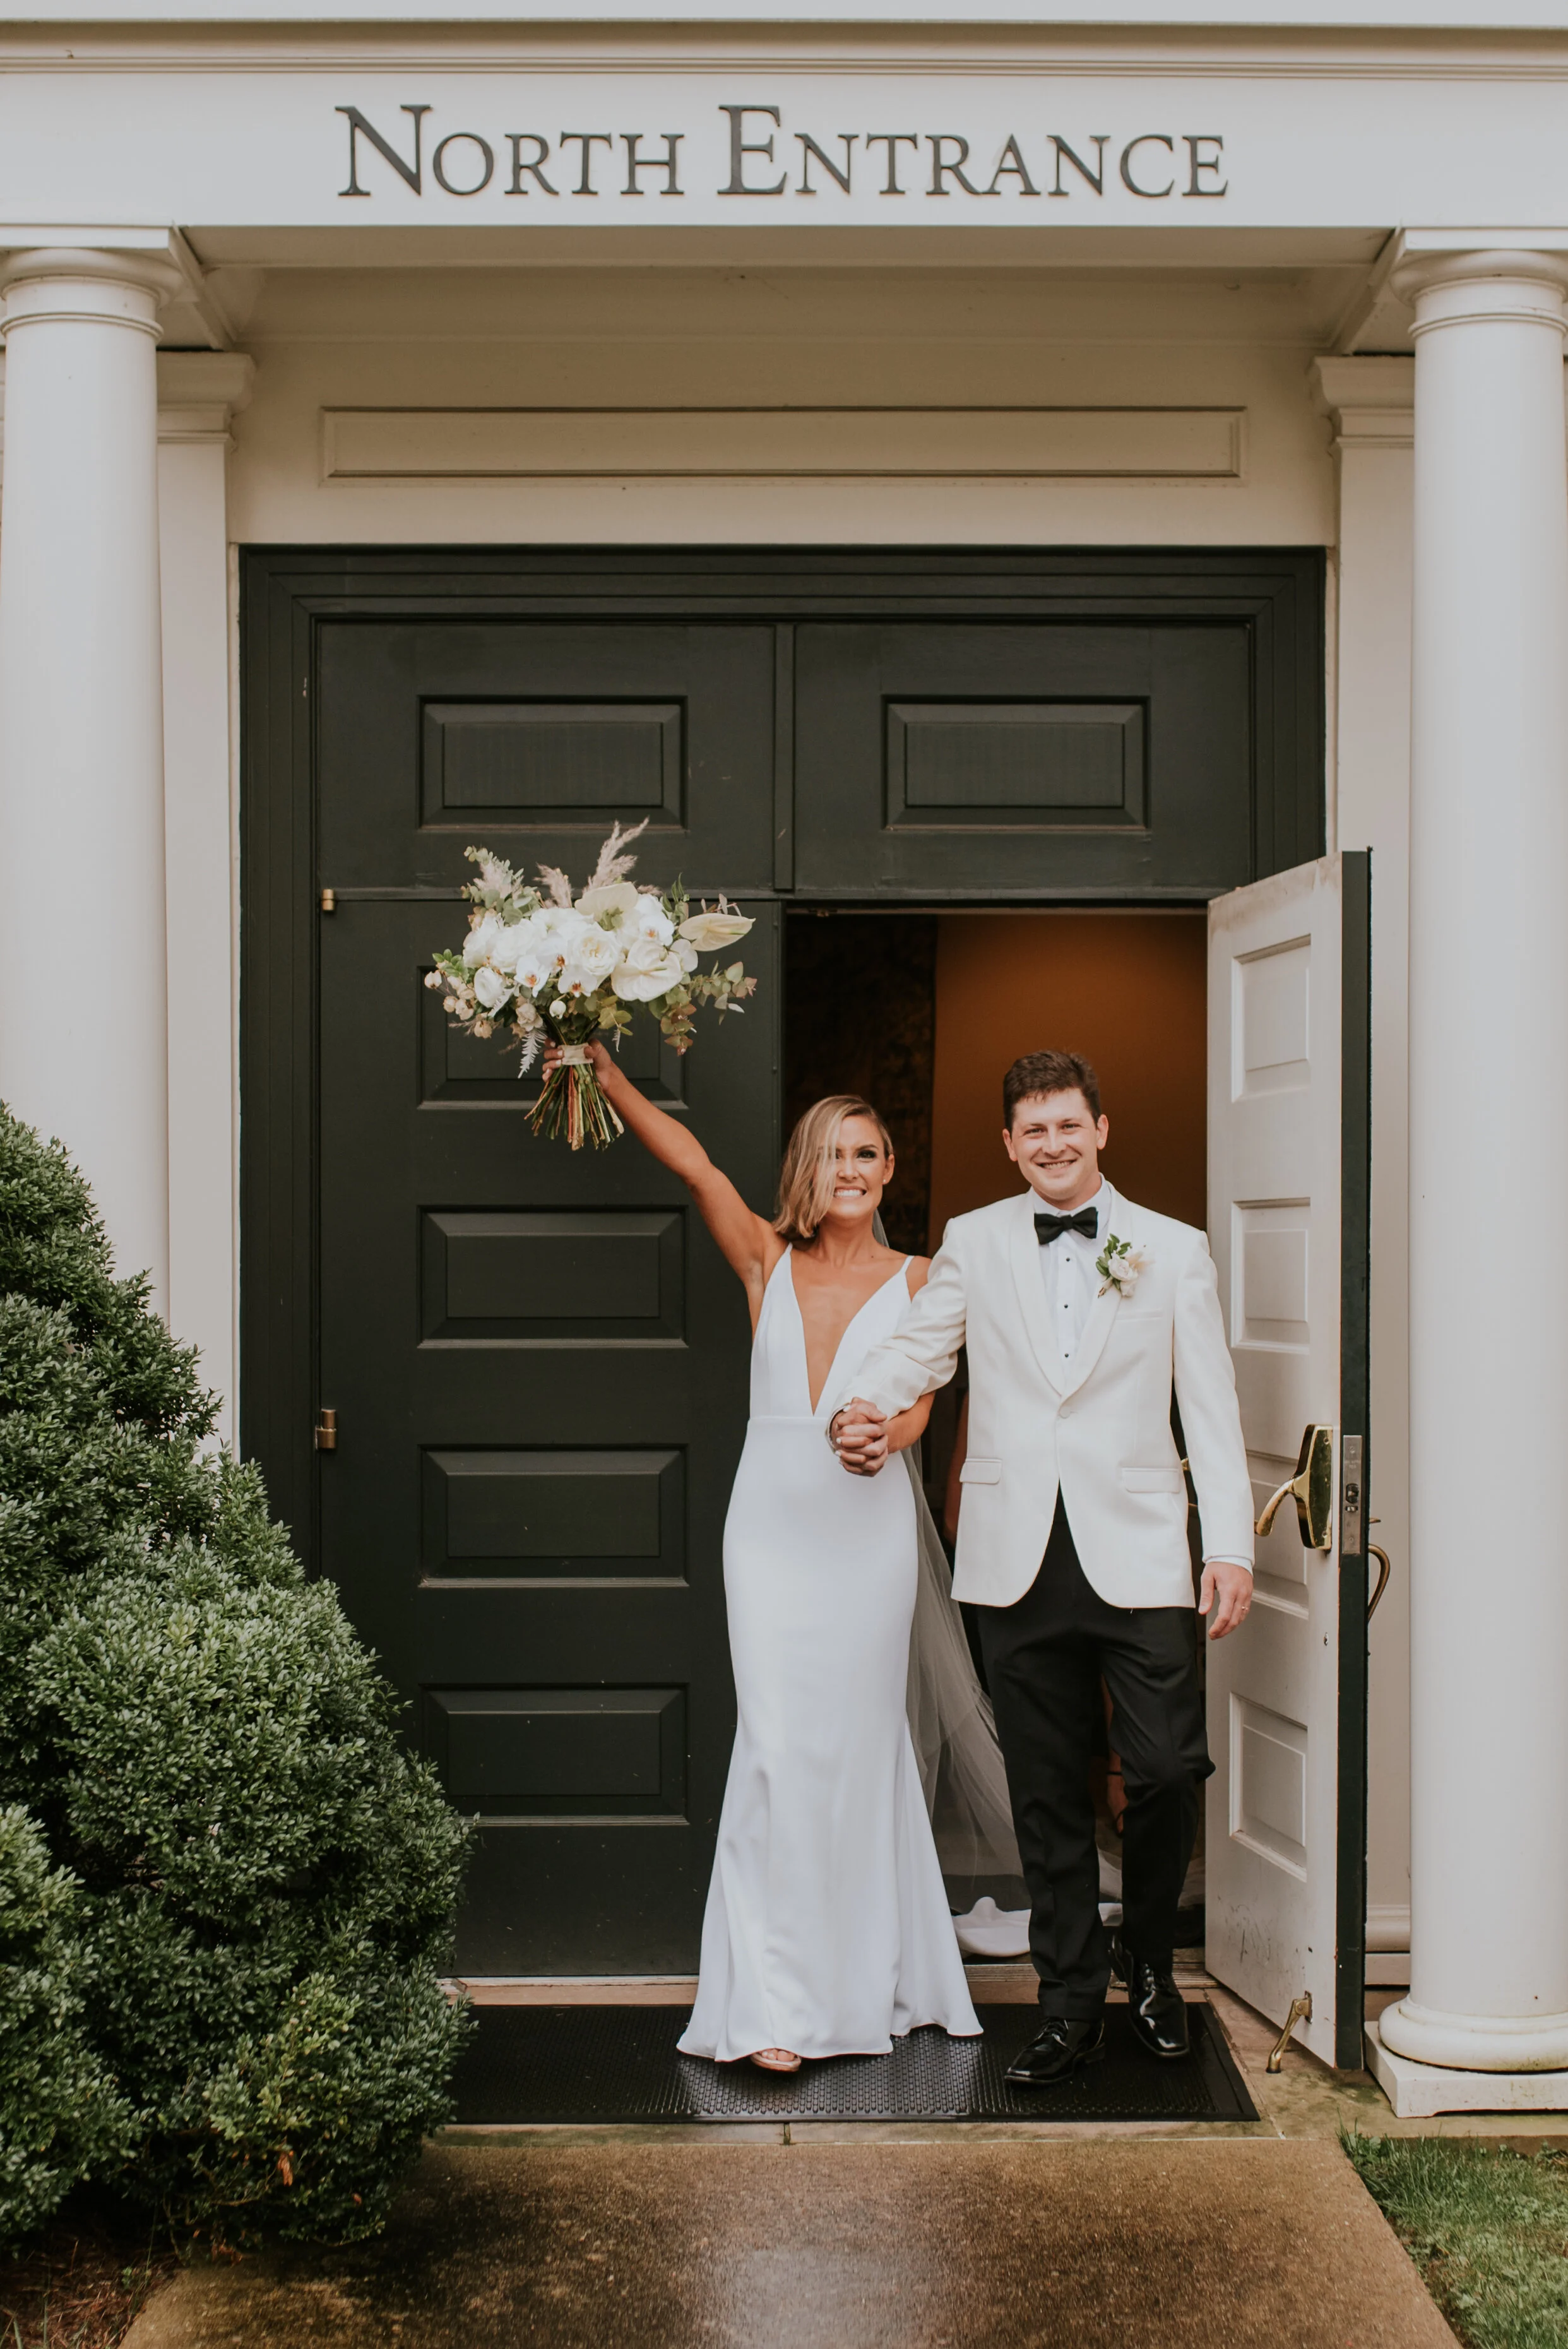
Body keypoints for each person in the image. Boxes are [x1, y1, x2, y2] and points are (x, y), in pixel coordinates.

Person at [543, 1041, 980, 2071]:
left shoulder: (924, 1278)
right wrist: (607, 1077)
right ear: (808, 1170)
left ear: (889, 1170)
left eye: (869, 1155)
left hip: (866, 1532)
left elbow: (924, 1405)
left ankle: (871, 1979)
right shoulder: (764, 1260)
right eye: (834, 1156)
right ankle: (777, 2005)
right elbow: (694, 1165)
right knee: (779, 1749)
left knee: (860, 1746)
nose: (853, 1172)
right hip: (772, 1530)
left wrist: (890, 1440)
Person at [831, 1049, 1254, 2089]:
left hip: (1145, 1555)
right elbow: (921, 1347)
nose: (1054, 1144)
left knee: (1163, 1772)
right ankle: (1068, 2002)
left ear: (1099, 1130)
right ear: (1009, 1144)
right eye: (1034, 1131)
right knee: (1047, 1793)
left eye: (1071, 1125)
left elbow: (1209, 1404)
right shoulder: (973, 1242)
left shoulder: (1174, 1248)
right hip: (1013, 1559)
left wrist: (1230, 1543)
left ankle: (1150, 1967)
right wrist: (866, 1405)